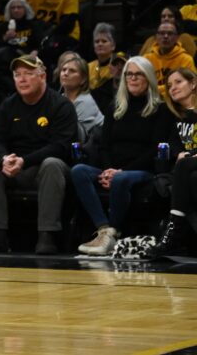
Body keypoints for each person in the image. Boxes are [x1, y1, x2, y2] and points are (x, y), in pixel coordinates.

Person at [72, 57, 181, 256]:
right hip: (114, 170)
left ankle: (111, 232)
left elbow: (154, 150)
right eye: (129, 74)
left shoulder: (160, 109)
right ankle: (105, 230)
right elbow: (104, 146)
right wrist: (107, 170)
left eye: (138, 74)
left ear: (148, 78)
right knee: (79, 171)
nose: (132, 78)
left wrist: (120, 171)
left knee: (121, 179)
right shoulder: (115, 108)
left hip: (143, 171)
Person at [0, 56, 75, 254]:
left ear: (43, 76)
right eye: (17, 75)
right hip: (13, 168)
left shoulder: (61, 105)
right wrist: (4, 158)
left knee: (52, 163)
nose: (22, 79)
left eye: (28, 74)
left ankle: (48, 234)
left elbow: (61, 146)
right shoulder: (8, 105)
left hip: (44, 169)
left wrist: (25, 161)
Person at [152, 68, 197, 256]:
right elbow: (173, 145)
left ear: (193, 83)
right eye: (169, 85)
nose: (173, 88)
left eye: (178, 82)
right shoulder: (175, 116)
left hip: (188, 164)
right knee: (193, 177)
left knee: (185, 166)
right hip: (190, 168)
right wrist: (180, 154)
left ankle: (173, 231)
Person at [57, 52, 104, 143]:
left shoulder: (85, 101)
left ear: (83, 79)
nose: (65, 73)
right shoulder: (60, 99)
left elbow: (76, 138)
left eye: (72, 71)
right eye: (63, 69)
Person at [144, 20, 196, 97]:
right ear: (156, 37)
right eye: (162, 33)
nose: (165, 36)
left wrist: (156, 90)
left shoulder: (186, 59)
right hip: (152, 101)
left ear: (176, 38)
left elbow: (189, 85)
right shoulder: (147, 59)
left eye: (170, 33)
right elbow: (142, 86)